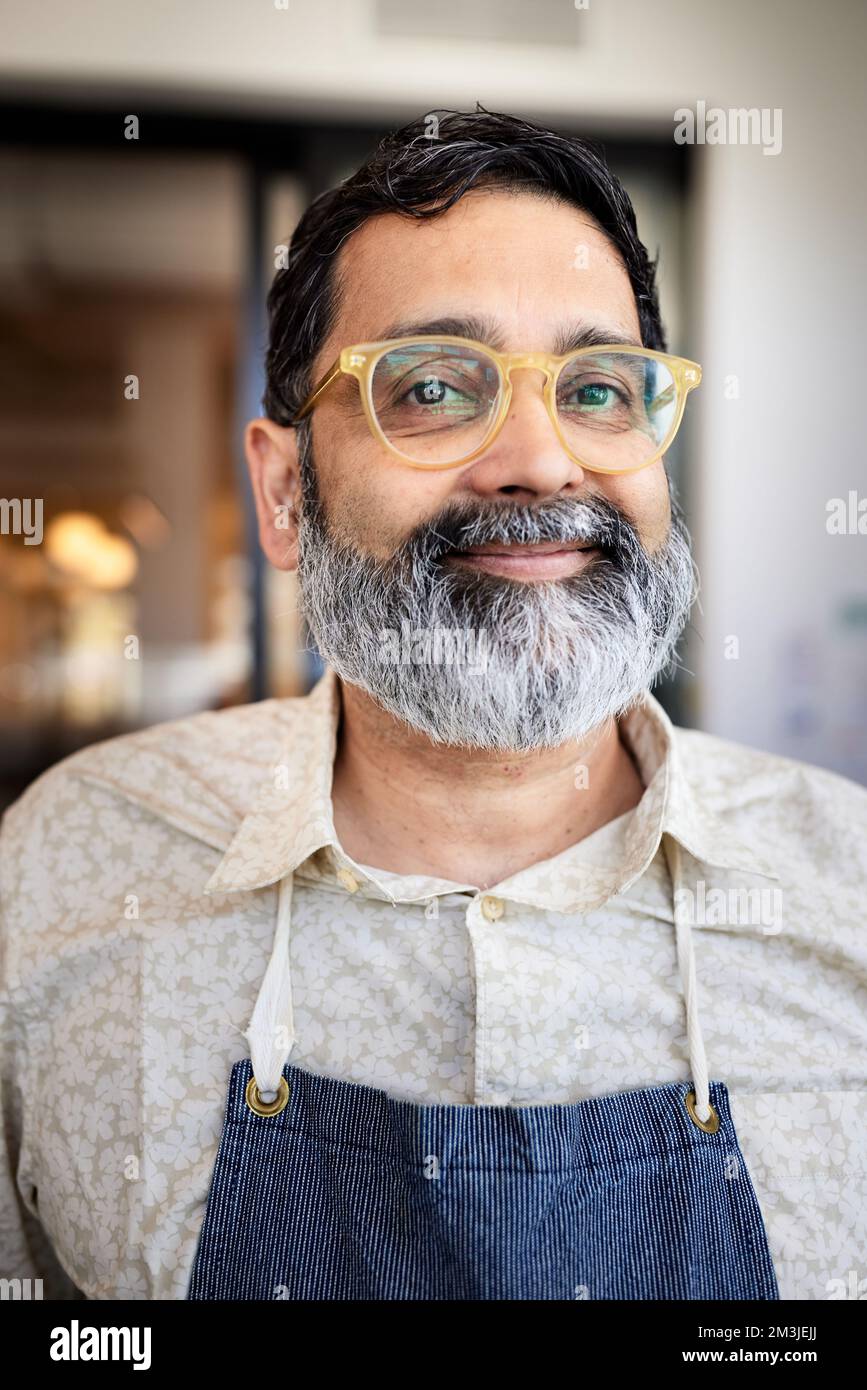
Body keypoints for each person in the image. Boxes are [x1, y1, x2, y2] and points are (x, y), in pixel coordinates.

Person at [1, 108, 864, 1302]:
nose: (541, 461)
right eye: (434, 387)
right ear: (286, 489)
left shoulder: (846, 890)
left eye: (600, 388)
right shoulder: (63, 872)